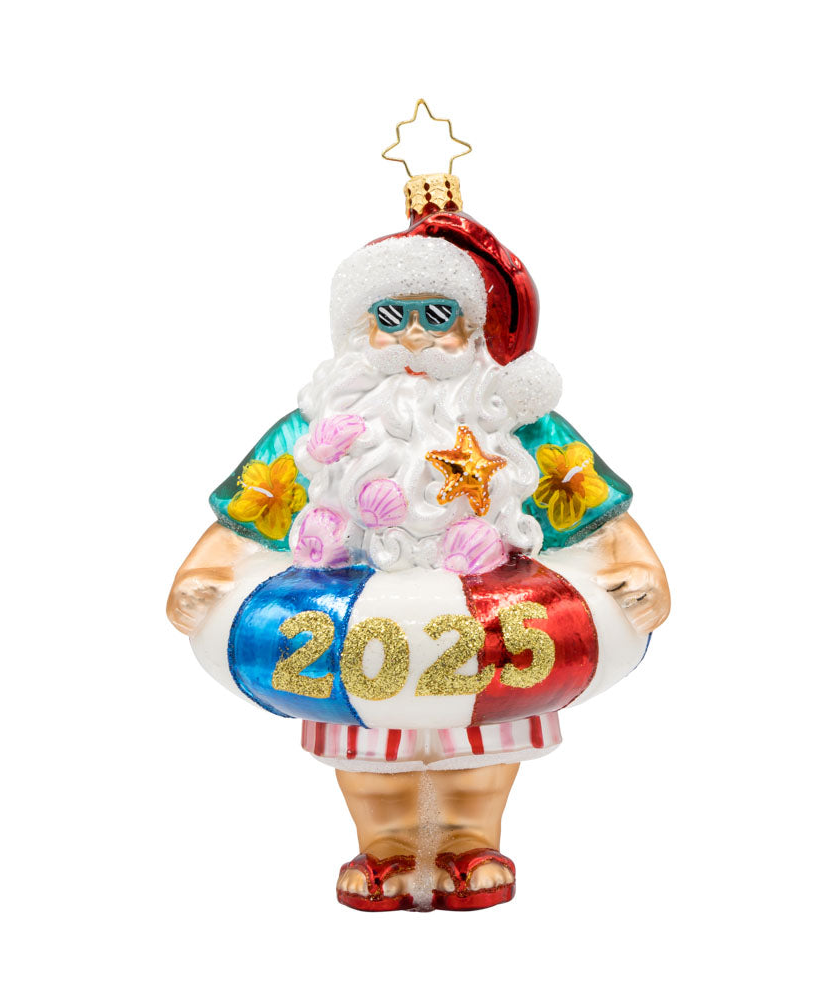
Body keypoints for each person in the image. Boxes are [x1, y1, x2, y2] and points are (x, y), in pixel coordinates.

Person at [167, 177, 669, 911]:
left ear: (474, 334)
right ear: (359, 331)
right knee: (371, 757)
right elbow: (248, 515)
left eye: (438, 317)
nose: (413, 337)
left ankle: (471, 837)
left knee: (482, 752)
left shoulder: (507, 423)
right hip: (346, 627)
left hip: (494, 625)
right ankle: (385, 846)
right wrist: (204, 573)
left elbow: (592, 507)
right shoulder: (319, 430)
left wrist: (636, 566)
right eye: (390, 317)